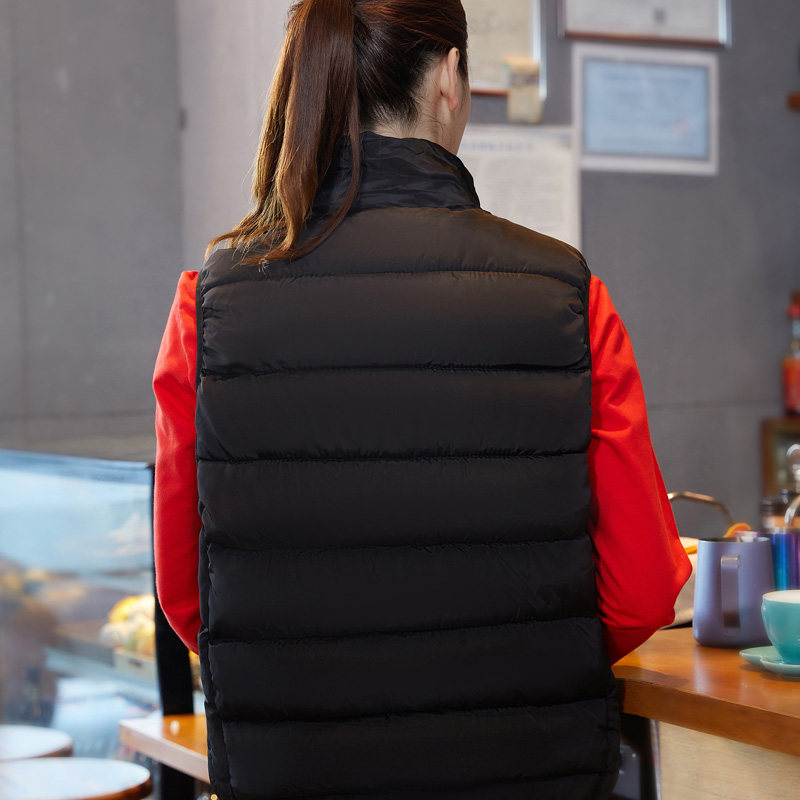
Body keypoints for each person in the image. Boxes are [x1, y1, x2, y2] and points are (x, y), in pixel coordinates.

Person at [153, 1, 692, 798]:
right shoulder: (568, 295)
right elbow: (643, 589)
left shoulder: (210, 306)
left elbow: (191, 598)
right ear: (448, 75)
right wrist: (536, 650)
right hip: (528, 769)